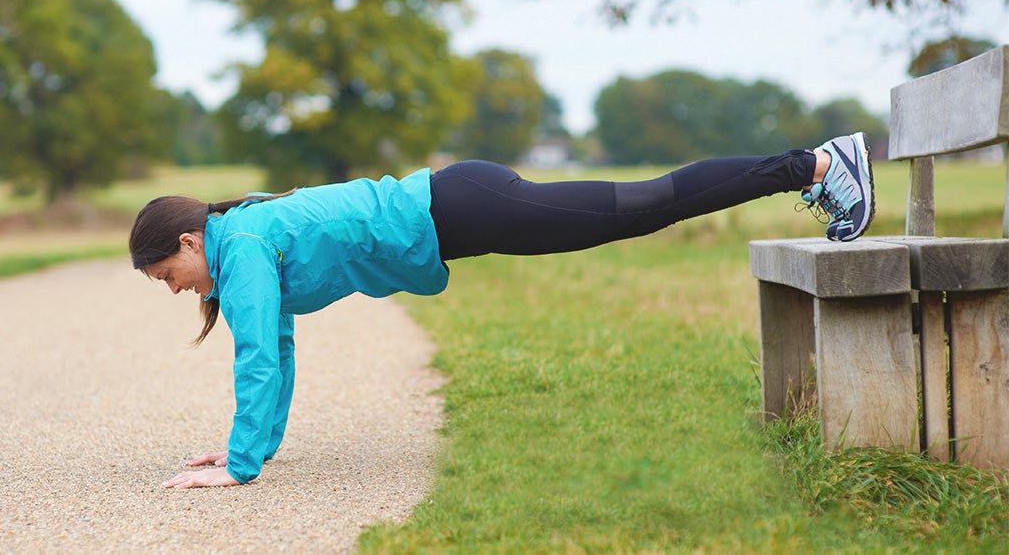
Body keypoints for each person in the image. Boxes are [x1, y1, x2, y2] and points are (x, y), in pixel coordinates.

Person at [129, 132, 875, 489]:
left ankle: (812, 165)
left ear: (191, 240)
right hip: (460, 205)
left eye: (168, 272)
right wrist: (247, 450)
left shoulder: (246, 246)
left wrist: (238, 467)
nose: (174, 289)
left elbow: (257, 353)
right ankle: (811, 168)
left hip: (461, 206)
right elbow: (277, 350)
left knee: (644, 205)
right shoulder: (245, 245)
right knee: (640, 209)